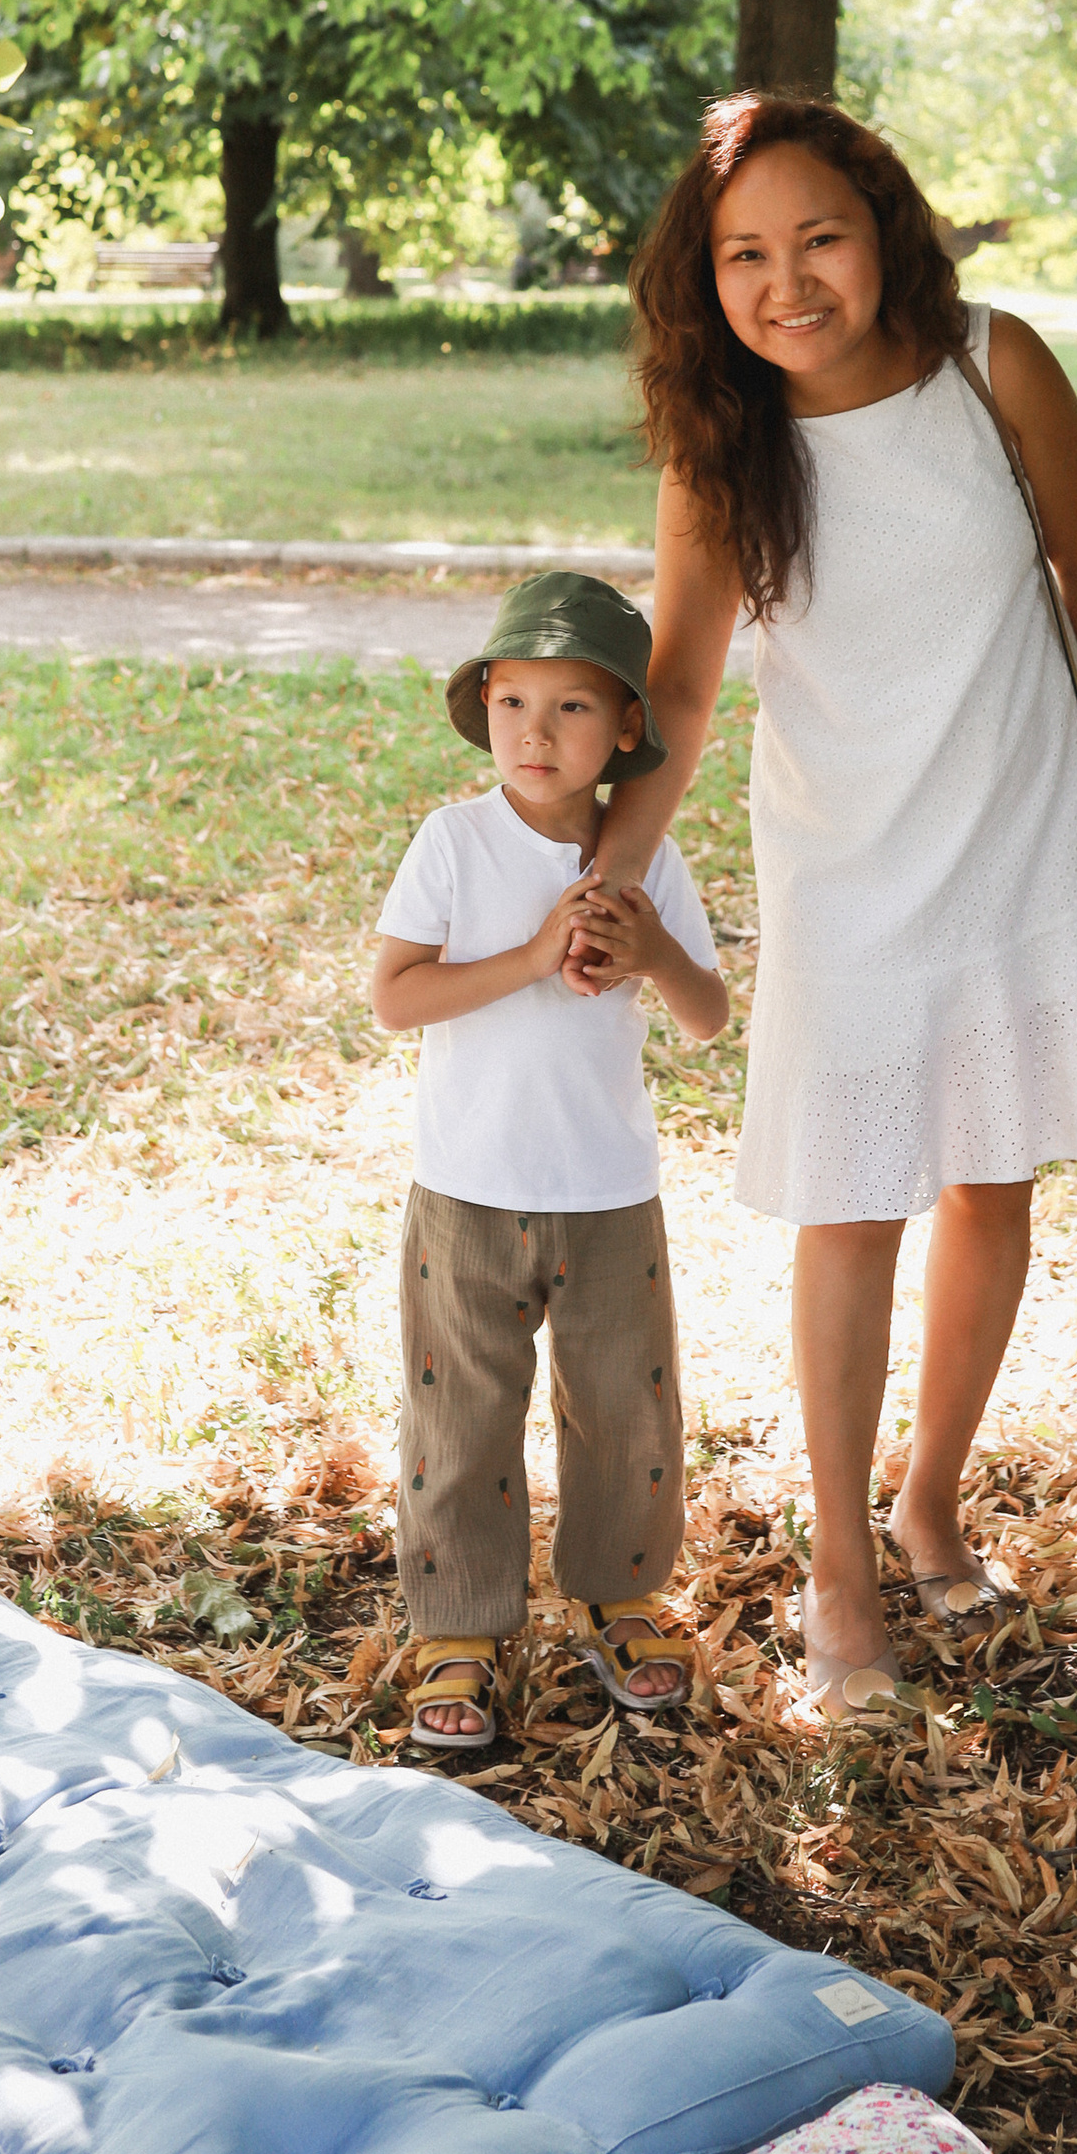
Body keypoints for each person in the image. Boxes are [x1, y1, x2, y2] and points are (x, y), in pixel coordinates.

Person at [579, 95, 1077, 1720]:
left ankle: (930, 1505)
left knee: (989, 1182)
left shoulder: (996, 365)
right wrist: (613, 868)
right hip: (847, 867)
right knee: (853, 1202)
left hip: (1018, 838)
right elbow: (680, 683)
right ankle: (842, 1570)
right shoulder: (725, 446)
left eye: (816, 236)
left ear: (882, 221)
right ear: (707, 284)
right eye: (744, 256)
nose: (788, 282)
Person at [371, 568, 730, 1752]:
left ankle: (622, 1598)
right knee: (461, 1413)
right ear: (482, 710)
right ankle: (459, 1626)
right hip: (467, 1187)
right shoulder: (455, 843)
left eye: (571, 707)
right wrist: (531, 957)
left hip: (605, 1190)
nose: (532, 730)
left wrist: (653, 950)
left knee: (625, 1412)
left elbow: (708, 1015)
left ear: (626, 728)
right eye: (510, 700)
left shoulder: (644, 853)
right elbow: (396, 996)